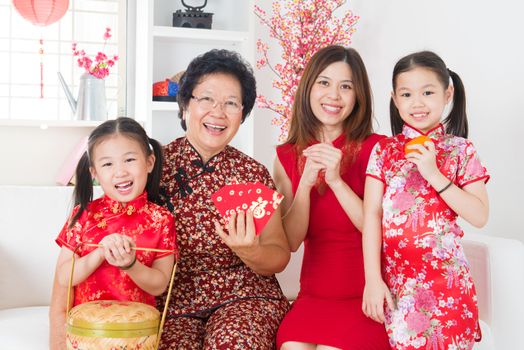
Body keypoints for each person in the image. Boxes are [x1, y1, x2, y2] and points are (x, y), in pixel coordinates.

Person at [157, 49, 291, 349]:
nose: (218, 112)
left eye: (231, 103)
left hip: (245, 297)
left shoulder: (252, 173)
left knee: (235, 343)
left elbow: (279, 255)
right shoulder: (154, 168)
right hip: (172, 303)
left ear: (242, 115)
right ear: (184, 106)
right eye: (206, 99)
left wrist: (251, 250)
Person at [362, 51, 489, 349]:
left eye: (428, 92)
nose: (417, 103)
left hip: (448, 285)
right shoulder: (384, 151)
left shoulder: (461, 150)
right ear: (395, 99)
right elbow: (371, 216)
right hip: (400, 284)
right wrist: (372, 279)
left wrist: (433, 173)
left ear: (448, 93)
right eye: (406, 94)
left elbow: (480, 215)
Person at [274, 45, 390, 350]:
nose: (334, 95)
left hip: (365, 295)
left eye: (346, 86)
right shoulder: (286, 156)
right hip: (313, 296)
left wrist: (337, 182)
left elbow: (378, 227)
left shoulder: (377, 149)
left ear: (358, 96)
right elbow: (291, 241)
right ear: (308, 88)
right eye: (324, 83)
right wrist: (305, 185)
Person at [50, 117, 177, 348]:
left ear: (149, 162)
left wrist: (131, 265)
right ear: (95, 172)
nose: (120, 172)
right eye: (108, 164)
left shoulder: (162, 220)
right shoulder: (84, 215)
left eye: (129, 160)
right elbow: (63, 277)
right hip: (87, 334)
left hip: (137, 335)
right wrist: (99, 253)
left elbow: (159, 284)